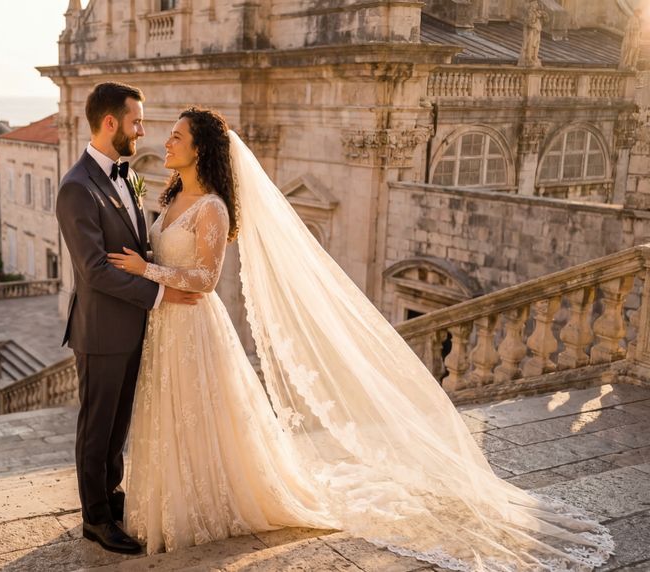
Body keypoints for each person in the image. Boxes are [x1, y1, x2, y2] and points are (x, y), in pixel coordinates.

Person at [106, 107, 613, 570]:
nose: (165, 144)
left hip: (194, 325)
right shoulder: (171, 194)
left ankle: (204, 505)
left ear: (200, 149)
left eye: (175, 137)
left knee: (199, 415)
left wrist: (145, 269)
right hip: (165, 323)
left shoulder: (213, 208)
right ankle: (170, 503)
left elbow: (207, 280)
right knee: (170, 414)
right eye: (169, 137)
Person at [55, 82, 202, 555]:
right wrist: (159, 293)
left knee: (118, 426)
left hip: (135, 326)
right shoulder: (77, 188)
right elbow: (94, 271)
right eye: (136, 121)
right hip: (101, 330)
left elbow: (139, 247)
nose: (143, 131)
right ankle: (94, 520)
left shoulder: (129, 175)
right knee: (96, 429)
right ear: (111, 123)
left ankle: (112, 498)